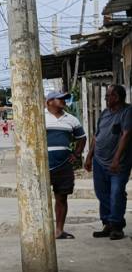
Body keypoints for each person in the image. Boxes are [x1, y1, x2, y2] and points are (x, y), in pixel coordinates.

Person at [84, 81, 132, 240]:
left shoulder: (127, 111)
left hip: (118, 163)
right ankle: (108, 223)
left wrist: (116, 159)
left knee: (116, 193)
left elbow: (126, 135)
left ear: (117, 97)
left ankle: (117, 225)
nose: (106, 98)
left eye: (108, 96)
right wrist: (89, 156)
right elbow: (96, 136)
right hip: (99, 161)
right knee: (101, 193)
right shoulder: (105, 113)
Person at [44, 89, 86, 240]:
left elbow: (82, 138)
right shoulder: (40, 117)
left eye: (64, 98)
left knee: (62, 198)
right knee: (40, 198)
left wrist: (76, 154)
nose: (63, 101)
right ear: (49, 102)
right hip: (42, 166)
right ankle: (42, 230)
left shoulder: (71, 119)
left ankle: (59, 230)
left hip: (63, 165)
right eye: (60, 98)